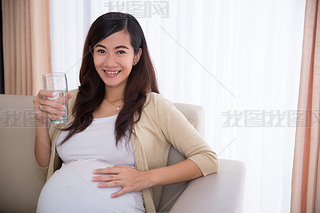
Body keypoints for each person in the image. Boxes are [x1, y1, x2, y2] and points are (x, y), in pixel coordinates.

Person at [33, 12, 219, 213]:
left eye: (120, 52)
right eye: (101, 51)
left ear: (137, 55)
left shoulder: (154, 106)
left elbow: (207, 158)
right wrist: (40, 122)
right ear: (91, 53)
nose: (109, 62)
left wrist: (144, 178)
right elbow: (44, 165)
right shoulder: (71, 101)